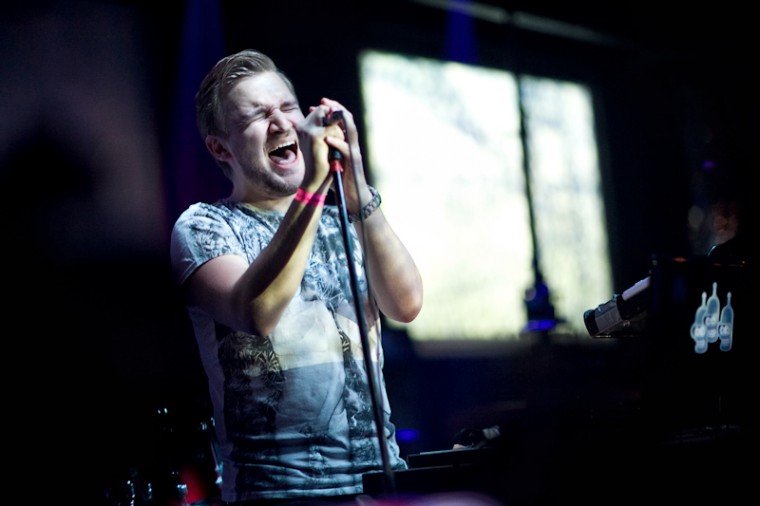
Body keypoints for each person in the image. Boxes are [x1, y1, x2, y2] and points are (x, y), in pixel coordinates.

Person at [170, 49, 423, 505]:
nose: (282, 123)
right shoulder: (205, 225)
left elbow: (406, 304)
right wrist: (312, 190)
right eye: (257, 115)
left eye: (288, 107)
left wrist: (357, 188)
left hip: (380, 483)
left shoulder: (342, 218)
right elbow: (256, 312)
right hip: (280, 491)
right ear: (220, 147)